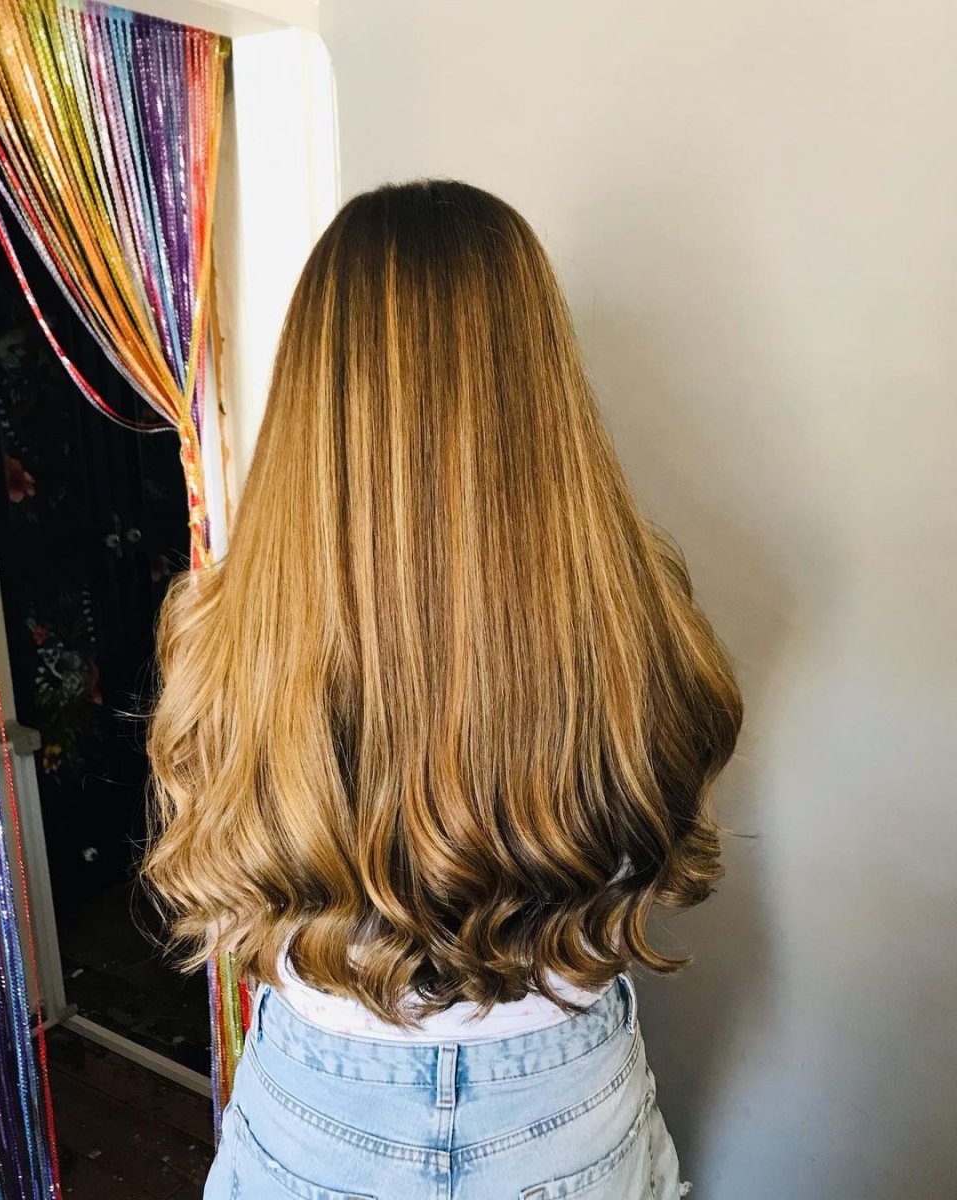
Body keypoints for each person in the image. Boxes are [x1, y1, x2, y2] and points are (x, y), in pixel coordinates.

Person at [143, 178, 743, 1200]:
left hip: (322, 1109)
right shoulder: (634, 618)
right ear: (540, 380)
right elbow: (662, 819)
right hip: (565, 1100)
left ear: (314, 392)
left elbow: (222, 859)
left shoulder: (228, 630)